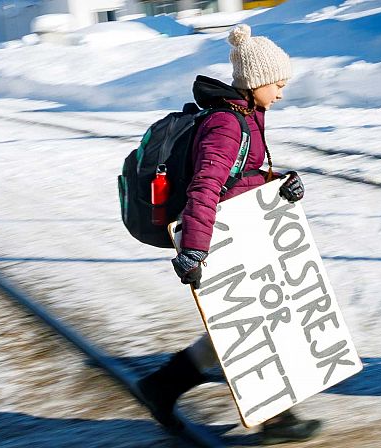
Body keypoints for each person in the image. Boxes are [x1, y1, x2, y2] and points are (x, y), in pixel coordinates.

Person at [136, 24, 319, 444]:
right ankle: (277, 417)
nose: (282, 93)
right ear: (255, 82)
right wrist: (194, 252)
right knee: (257, 324)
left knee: (239, 325)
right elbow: (205, 186)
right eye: (278, 84)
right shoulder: (226, 125)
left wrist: (281, 184)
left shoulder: (248, 117)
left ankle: (162, 386)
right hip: (220, 238)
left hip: (243, 232)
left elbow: (244, 177)